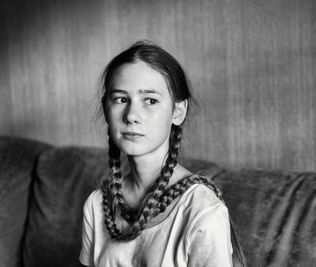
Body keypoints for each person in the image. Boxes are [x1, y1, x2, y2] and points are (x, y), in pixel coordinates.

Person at [79, 40, 246, 267]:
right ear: (106, 109)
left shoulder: (201, 209)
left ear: (178, 111)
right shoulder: (97, 204)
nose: (131, 115)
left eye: (150, 100)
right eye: (120, 99)